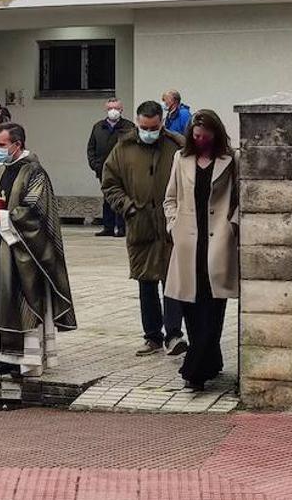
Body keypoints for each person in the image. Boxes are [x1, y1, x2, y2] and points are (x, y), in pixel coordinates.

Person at [0, 123, 77, 378]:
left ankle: (26, 361)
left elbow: (36, 211)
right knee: (0, 301)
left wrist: (4, 216)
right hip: (0, 244)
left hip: (25, 251)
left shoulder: (35, 173)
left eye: (1, 145)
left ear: (17, 144)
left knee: (22, 303)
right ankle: (2, 358)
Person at [101, 101, 187, 357]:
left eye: (154, 128)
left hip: (171, 225)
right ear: (137, 123)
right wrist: (127, 207)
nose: (149, 132)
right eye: (144, 127)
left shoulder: (176, 145)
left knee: (173, 282)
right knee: (146, 282)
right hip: (140, 223)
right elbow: (110, 184)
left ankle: (174, 335)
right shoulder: (123, 147)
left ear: (162, 123)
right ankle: (152, 336)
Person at [164, 109, 239, 391]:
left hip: (218, 241)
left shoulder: (231, 160)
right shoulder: (180, 159)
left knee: (213, 308)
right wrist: (173, 225)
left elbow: (241, 197)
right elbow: (170, 198)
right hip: (187, 243)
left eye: (205, 137)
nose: (200, 141)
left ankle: (193, 372)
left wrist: (232, 225)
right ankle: (212, 362)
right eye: (196, 136)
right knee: (192, 310)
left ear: (216, 135)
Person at [87, 98, 134, 237]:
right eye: (110, 108)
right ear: (106, 110)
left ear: (121, 109)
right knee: (107, 198)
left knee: (121, 197)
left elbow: (134, 147)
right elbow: (91, 148)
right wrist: (95, 165)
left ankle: (122, 228)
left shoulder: (128, 127)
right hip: (103, 169)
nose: (113, 111)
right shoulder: (98, 127)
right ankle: (108, 227)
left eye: (116, 108)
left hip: (122, 170)